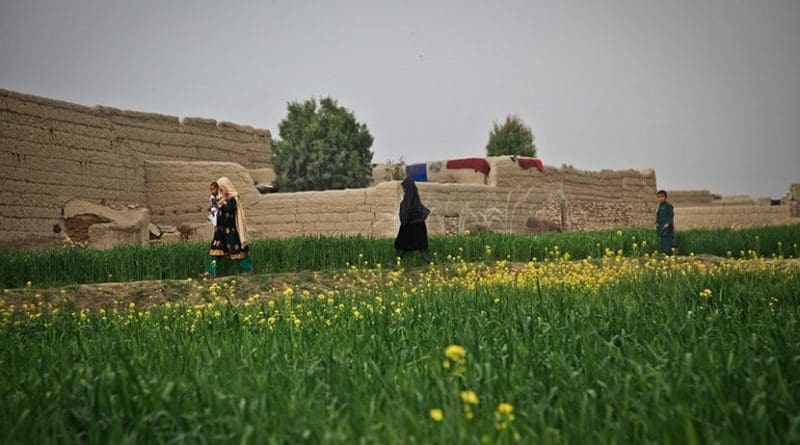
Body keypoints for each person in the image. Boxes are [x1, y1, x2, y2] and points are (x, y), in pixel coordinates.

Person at [203, 177, 254, 277]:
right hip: (220, 232)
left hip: (230, 232)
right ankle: (210, 272)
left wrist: (223, 201)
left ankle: (248, 269)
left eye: (221, 189)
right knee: (215, 254)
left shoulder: (233, 199)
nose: (219, 191)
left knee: (237, 253)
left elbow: (228, 208)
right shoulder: (219, 200)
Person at [394, 177, 432, 265]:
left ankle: (427, 262)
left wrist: (404, 221)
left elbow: (407, 210)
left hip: (411, 225)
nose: (403, 189)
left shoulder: (409, 198)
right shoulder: (413, 198)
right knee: (408, 245)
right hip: (415, 224)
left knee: (407, 245)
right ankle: (396, 262)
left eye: (405, 187)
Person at [655, 189, 675, 255]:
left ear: (666, 197)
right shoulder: (660, 206)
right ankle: (663, 252)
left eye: (662, 197)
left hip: (667, 227)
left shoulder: (668, 206)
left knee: (667, 239)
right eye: (659, 197)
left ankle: (668, 253)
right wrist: (657, 222)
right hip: (661, 225)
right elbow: (658, 215)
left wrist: (668, 223)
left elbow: (671, 215)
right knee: (662, 239)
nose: (660, 198)